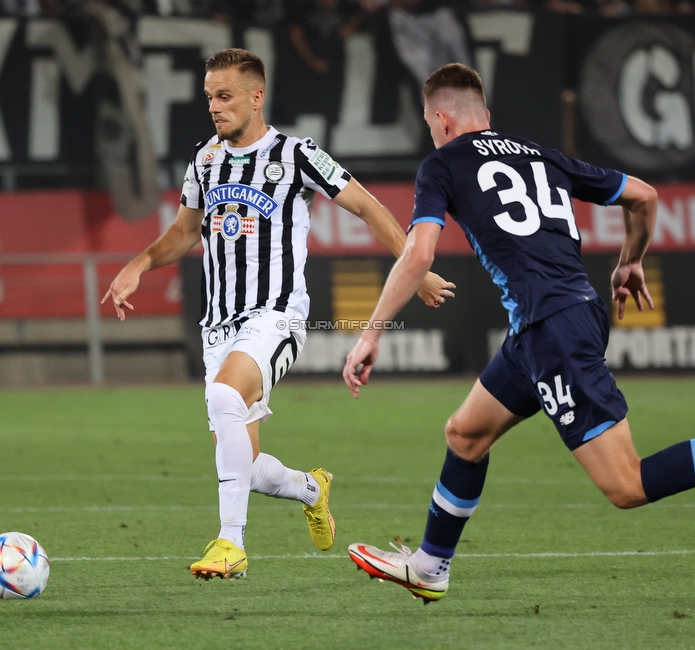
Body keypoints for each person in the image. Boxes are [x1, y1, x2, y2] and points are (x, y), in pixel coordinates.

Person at [341, 63, 695, 603]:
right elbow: (643, 196)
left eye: (432, 126)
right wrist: (630, 261)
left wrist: (371, 334)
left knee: (626, 485)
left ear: (441, 119)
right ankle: (431, 566)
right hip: (554, 322)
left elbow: (419, 253)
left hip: (553, 329)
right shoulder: (539, 155)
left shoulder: (442, 163)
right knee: (466, 434)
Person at [103, 48, 455, 581]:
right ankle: (312, 489)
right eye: (209, 98)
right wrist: (139, 264)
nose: (215, 107)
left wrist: (416, 266)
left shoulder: (297, 154)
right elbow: (184, 231)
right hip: (217, 326)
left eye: (224, 96)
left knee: (225, 397)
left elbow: (365, 205)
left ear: (255, 96)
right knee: (242, 460)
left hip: (277, 314)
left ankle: (230, 544)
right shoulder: (205, 159)